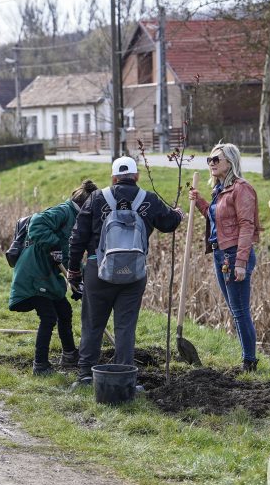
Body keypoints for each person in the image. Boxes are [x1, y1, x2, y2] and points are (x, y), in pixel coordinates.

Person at [68, 156, 184, 379]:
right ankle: (122, 376)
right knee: (125, 327)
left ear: (113, 178)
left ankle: (85, 375)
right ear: (137, 176)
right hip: (134, 275)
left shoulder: (96, 198)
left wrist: (74, 270)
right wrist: (178, 214)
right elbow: (169, 223)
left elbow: (77, 237)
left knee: (93, 324)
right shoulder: (148, 199)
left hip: (97, 270)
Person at [10, 180, 98, 376]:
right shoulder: (63, 212)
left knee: (64, 311)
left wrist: (77, 279)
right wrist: (54, 245)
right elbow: (36, 223)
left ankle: (69, 355)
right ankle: (40, 365)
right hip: (34, 273)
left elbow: (66, 255)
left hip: (48, 276)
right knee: (48, 317)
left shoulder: (76, 217)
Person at [189, 143, 261, 373]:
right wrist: (200, 201)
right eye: (209, 159)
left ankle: (249, 362)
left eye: (216, 159)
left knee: (240, 311)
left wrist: (241, 263)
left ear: (230, 162)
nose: (211, 163)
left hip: (234, 255)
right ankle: (247, 359)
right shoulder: (220, 190)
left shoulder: (242, 189)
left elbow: (246, 226)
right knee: (234, 309)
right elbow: (216, 218)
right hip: (220, 253)